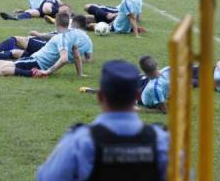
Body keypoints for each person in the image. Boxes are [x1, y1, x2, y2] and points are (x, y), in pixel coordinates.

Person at [37, 60, 169, 181]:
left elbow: (46, 177)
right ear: (136, 95)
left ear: (100, 97)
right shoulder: (162, 142)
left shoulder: (79, 142)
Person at [0, 13, 85, 78]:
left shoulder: (62, 38)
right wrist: (80, 74)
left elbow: (64, 59)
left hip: (36, 61)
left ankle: (33, 73)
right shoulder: (70, 36)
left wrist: (47, 72)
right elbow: (76, 56)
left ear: (56, 23)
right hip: (35, 60)